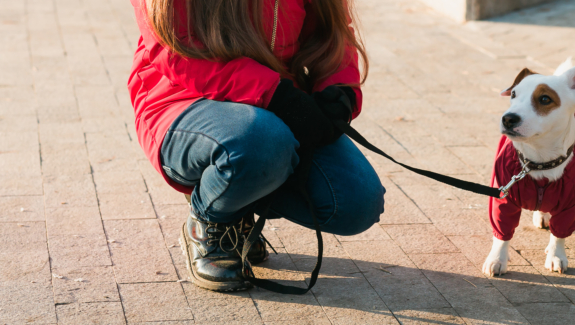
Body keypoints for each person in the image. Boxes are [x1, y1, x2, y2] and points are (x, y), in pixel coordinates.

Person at [128, 0, 386, 292]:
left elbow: (331, 32)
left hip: (278, 98)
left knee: (355, 201)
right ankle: (211, 220)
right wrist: (275, 96)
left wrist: (338, 90)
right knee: (263, 141)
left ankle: (239, 195)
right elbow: (174, 49)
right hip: (183, 98)